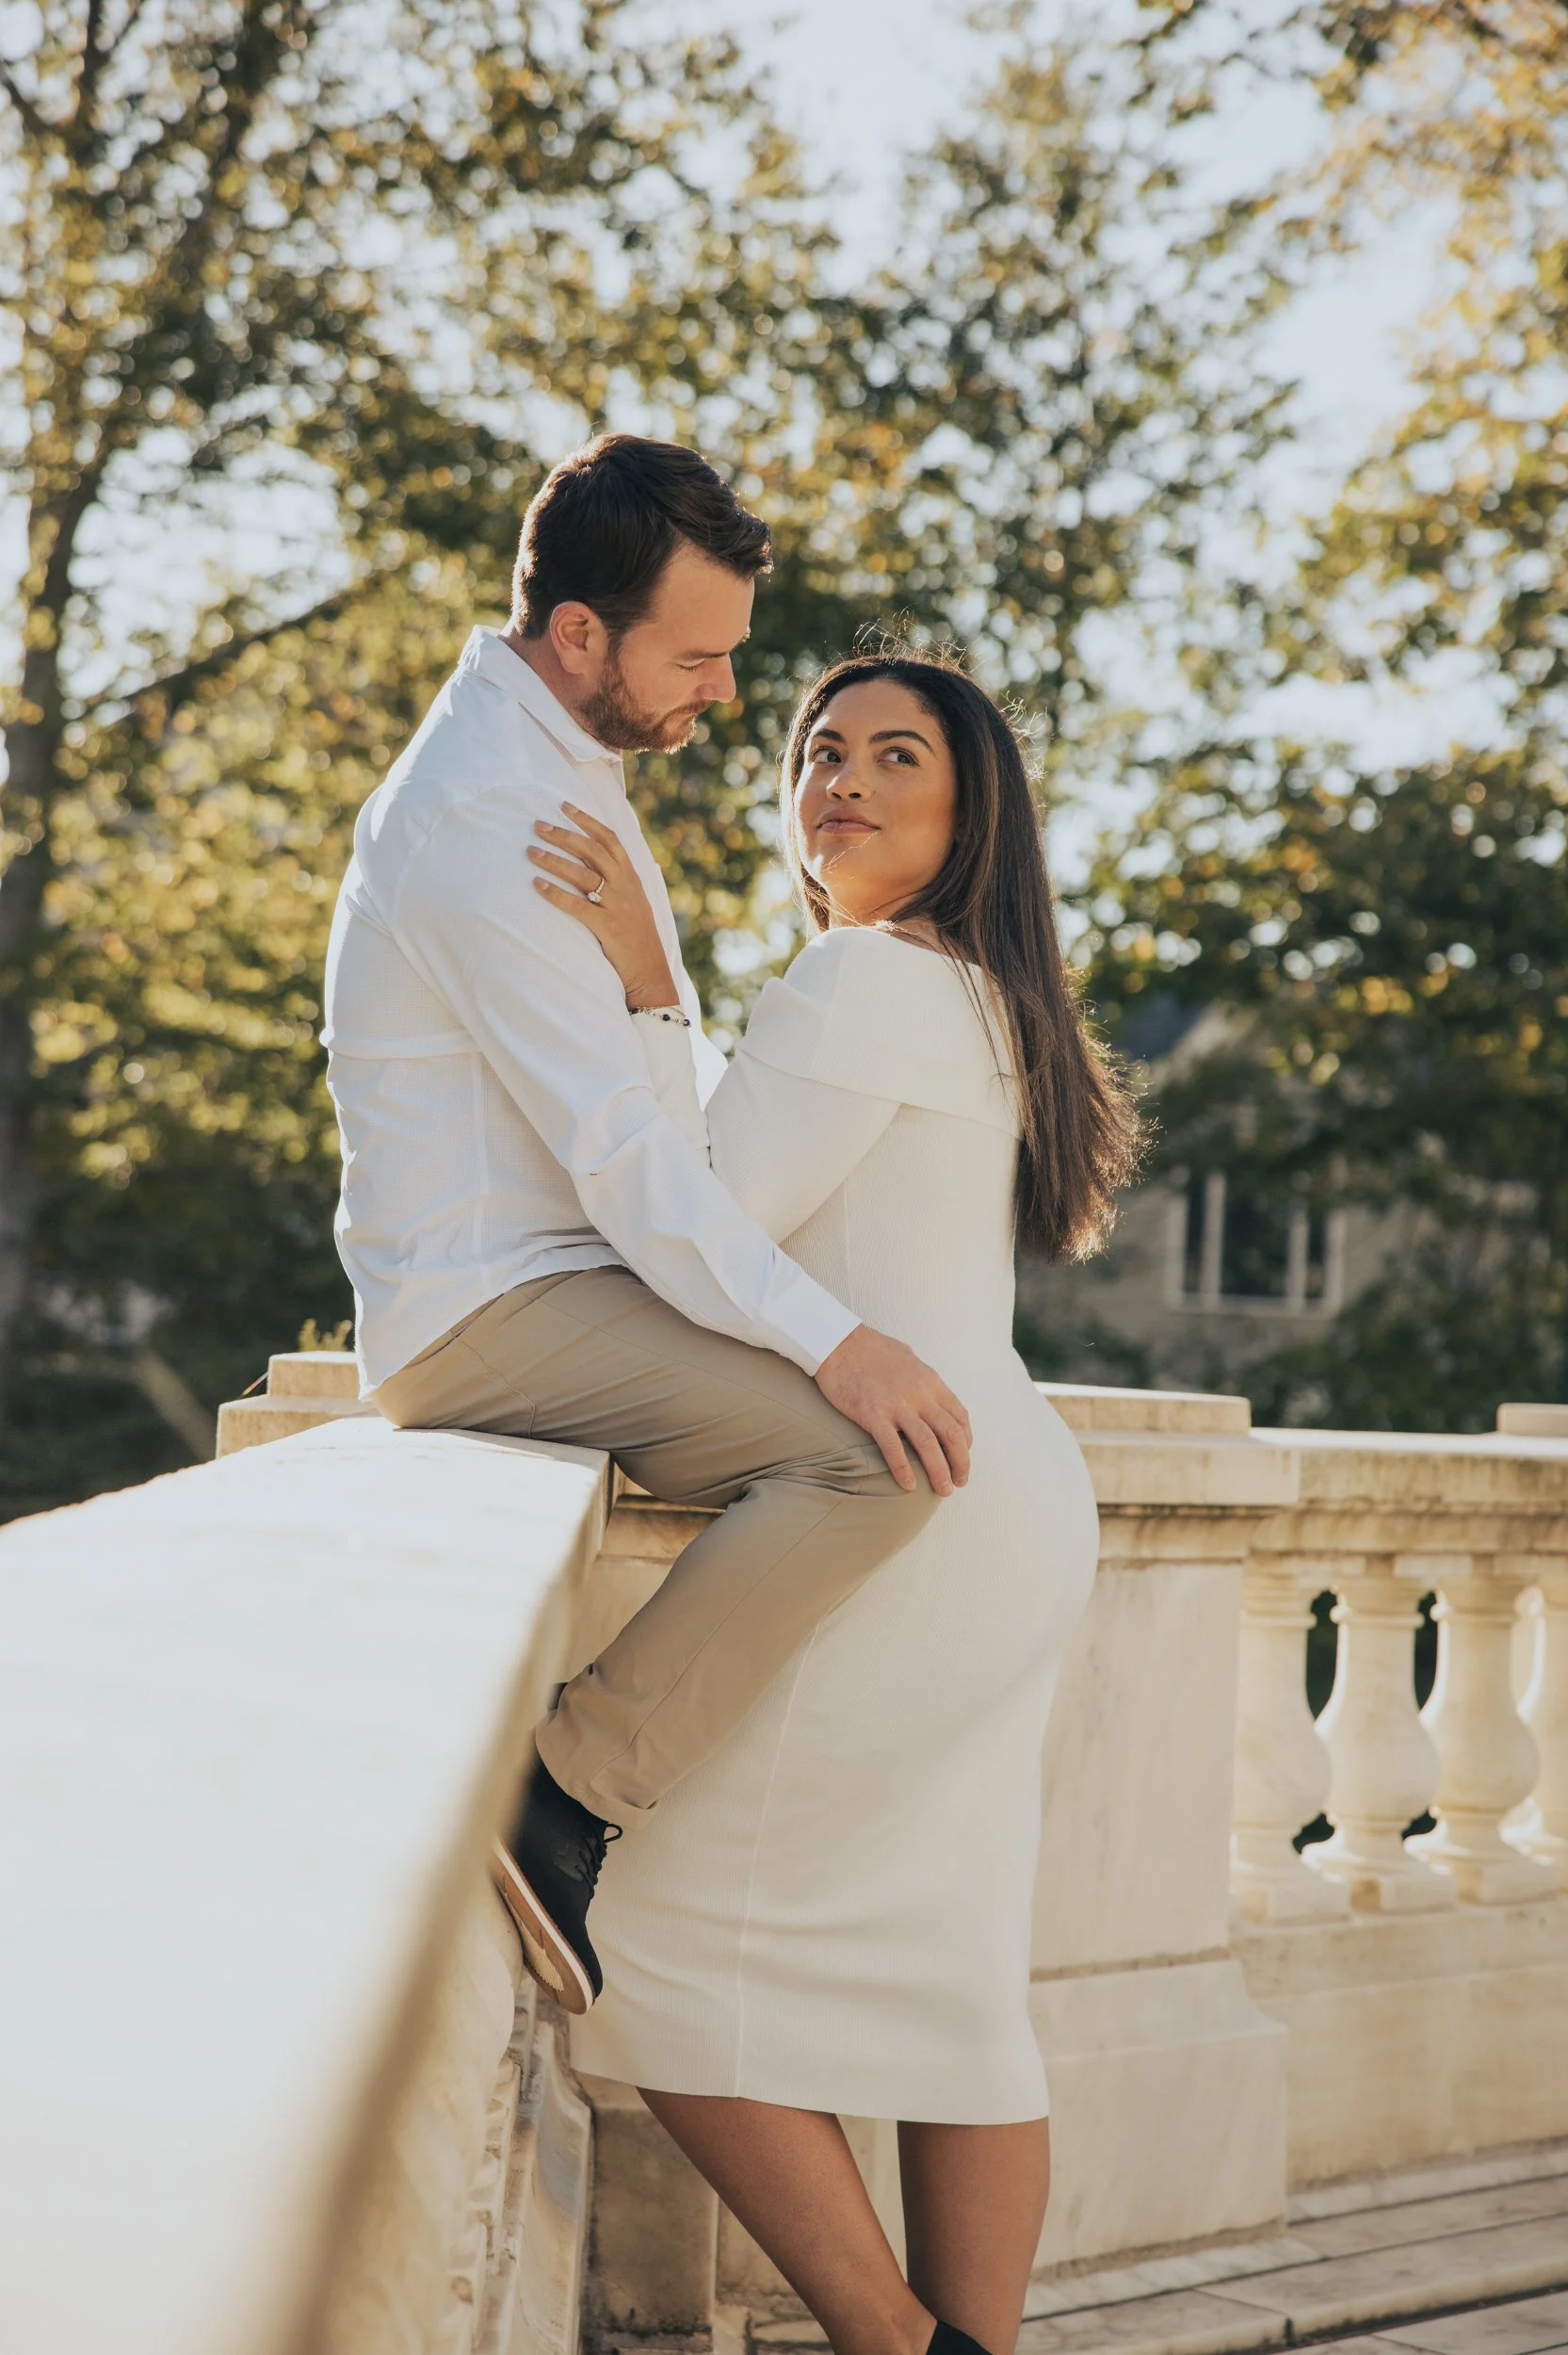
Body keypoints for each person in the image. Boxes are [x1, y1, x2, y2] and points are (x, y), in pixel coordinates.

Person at [532, 650, 1140, 2355]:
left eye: (894, 757)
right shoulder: (981, 994)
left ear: (970, 815)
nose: (841, 780)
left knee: (635, 1941)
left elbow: (698, 1224)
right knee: (952, 1980)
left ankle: (895, 2343)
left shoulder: (861, 981)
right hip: (995, 1495)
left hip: (909, 1512)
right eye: (818, 750)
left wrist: (652, 997)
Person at [322, 435, 974, 2019]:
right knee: (860, 1455)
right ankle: (560, 1790)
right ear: (578, 638)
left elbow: (652, 1129)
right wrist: (844, 1344)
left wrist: (651, 984)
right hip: (495, 1308)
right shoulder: (488, 819)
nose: (730, 698)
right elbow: (636, 1166)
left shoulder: (559, 768)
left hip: (561, 1279)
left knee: (864, 1441)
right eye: (699, 657)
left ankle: (563, 1786)